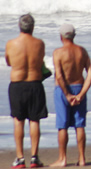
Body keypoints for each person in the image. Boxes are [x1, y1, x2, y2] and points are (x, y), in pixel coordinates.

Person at [6, 14, 48, 169]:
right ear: (33, 27)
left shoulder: (11, 43)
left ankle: (20, 158)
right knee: (34, 120)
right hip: (35, 83)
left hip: (17, 85)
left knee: (18, 120)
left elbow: (9, 61)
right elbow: (40, 60)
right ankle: (34, 157)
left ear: (19, 26)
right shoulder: (40, 44)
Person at [51, 24, 91, 167]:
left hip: (63, 90)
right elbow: (90, 73)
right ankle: (82, 158)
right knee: (79, 125)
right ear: (74, 36)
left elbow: (59, 75)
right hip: (79, 87)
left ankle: (62, 158)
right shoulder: (81, 51)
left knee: (62, 126)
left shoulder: (58, 52)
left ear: (61, 37)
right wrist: (82, 93)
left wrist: (67, 94)